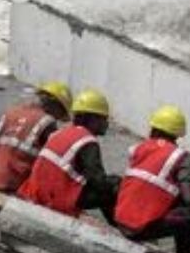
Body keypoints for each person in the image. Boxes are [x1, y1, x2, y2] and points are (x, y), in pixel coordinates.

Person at [115, 105, 190, 253]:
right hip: (141, 227)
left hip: (121, 222)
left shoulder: (138, 149)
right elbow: (189, 198)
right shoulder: (182, 157)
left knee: (182, 212)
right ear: (177, 135)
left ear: (153, 128)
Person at [18, 89, 118, 221]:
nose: (106, 124)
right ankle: (119, 228)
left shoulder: (60, 133)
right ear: (92, 119)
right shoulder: (88, 141)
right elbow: (98, 182)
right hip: (55, 199)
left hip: (36, 193)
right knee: (114, 187)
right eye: (103, 118)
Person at [0, 81, 72, 192]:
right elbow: (53, 162)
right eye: (60, 113)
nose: (57, 118)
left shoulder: (11, 113)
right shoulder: (47, 122)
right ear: (54, 104)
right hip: (18, 187)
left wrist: (3, 158)